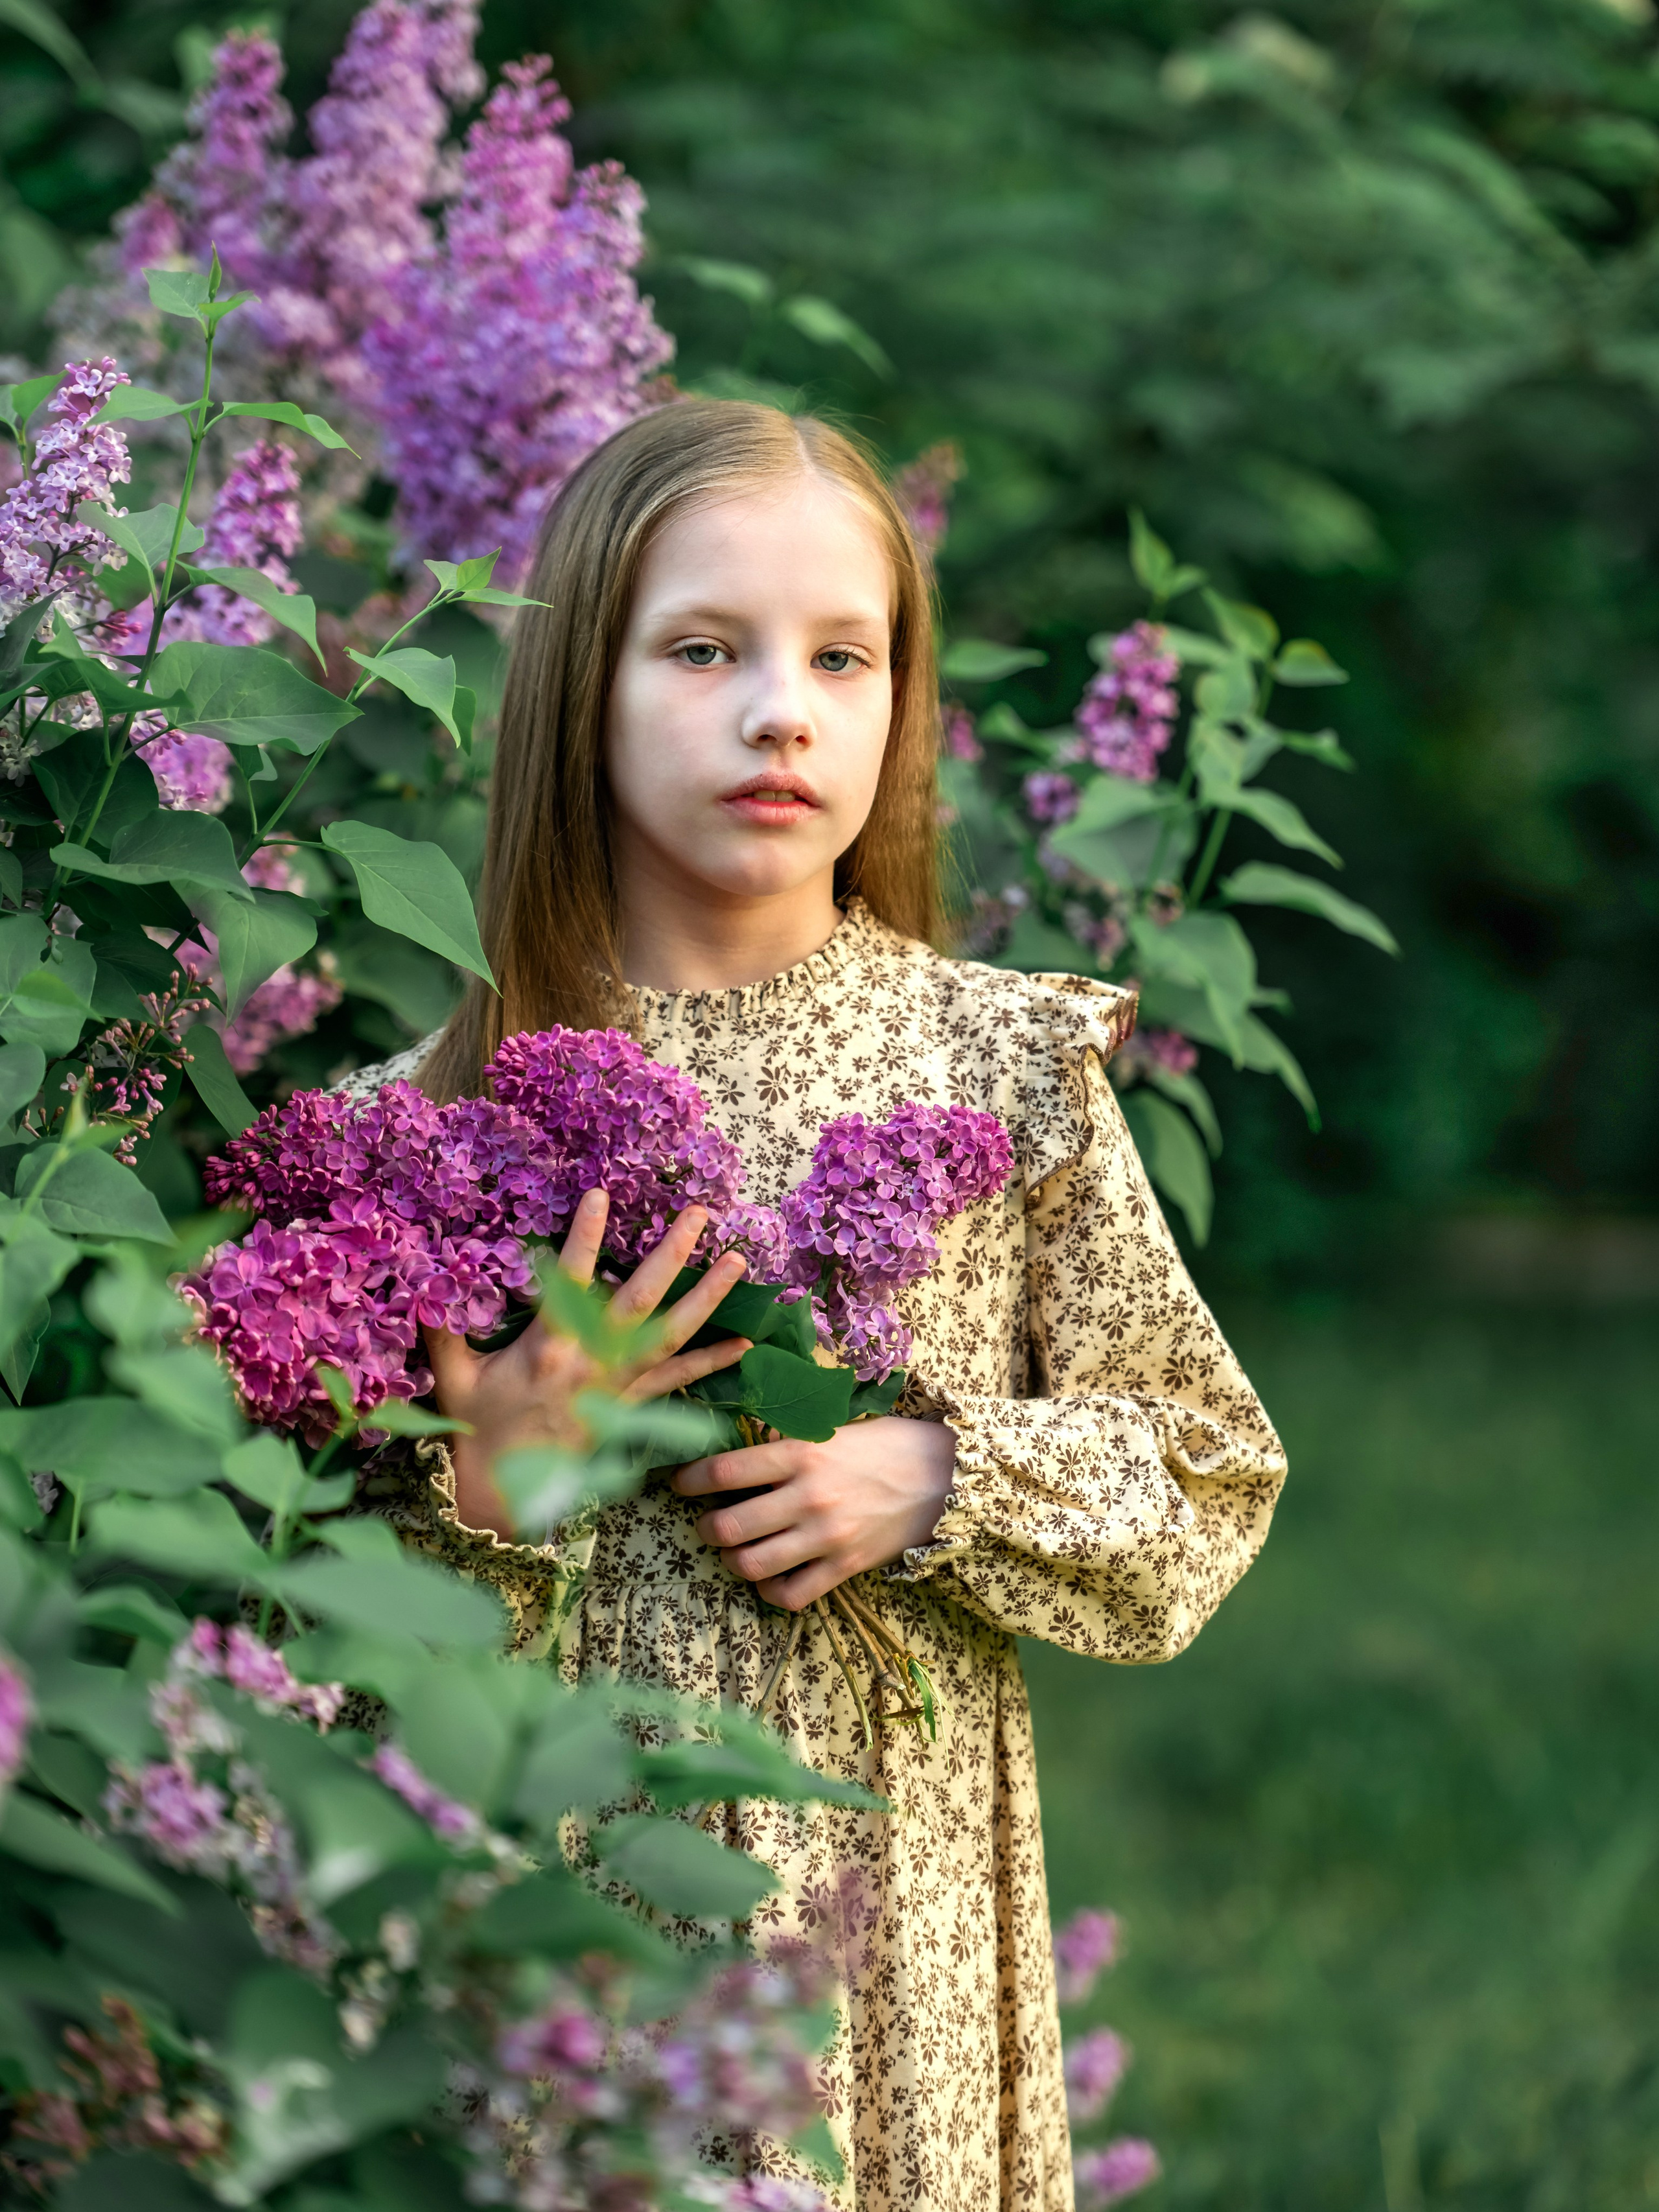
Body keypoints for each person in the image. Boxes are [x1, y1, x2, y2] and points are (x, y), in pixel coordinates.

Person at [344, 399, 1287, 2211]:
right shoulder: (434, 1119)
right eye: (705, 649)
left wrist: (941, 1478)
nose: (783, 710)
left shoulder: (998, 1067)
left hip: (887, 1935)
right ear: (580, 688)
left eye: (843, 658)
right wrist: (484, 1490)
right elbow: (312, 1648)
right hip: (566, 1902)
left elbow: (1205, 1475)